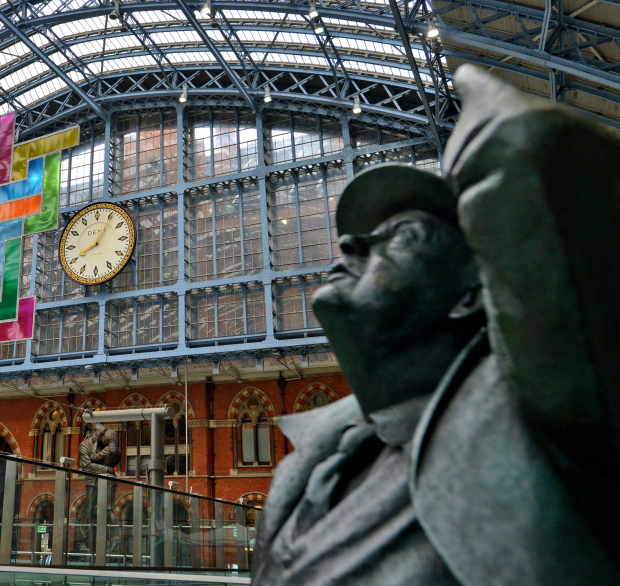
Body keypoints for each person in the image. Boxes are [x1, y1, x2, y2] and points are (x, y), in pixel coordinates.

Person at [252, 65, 620, 585]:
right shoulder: (319, 460)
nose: (350, 243)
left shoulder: (537, 417)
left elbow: (541, 157)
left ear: (471, 294)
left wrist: (476, 87)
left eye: (401, 236)